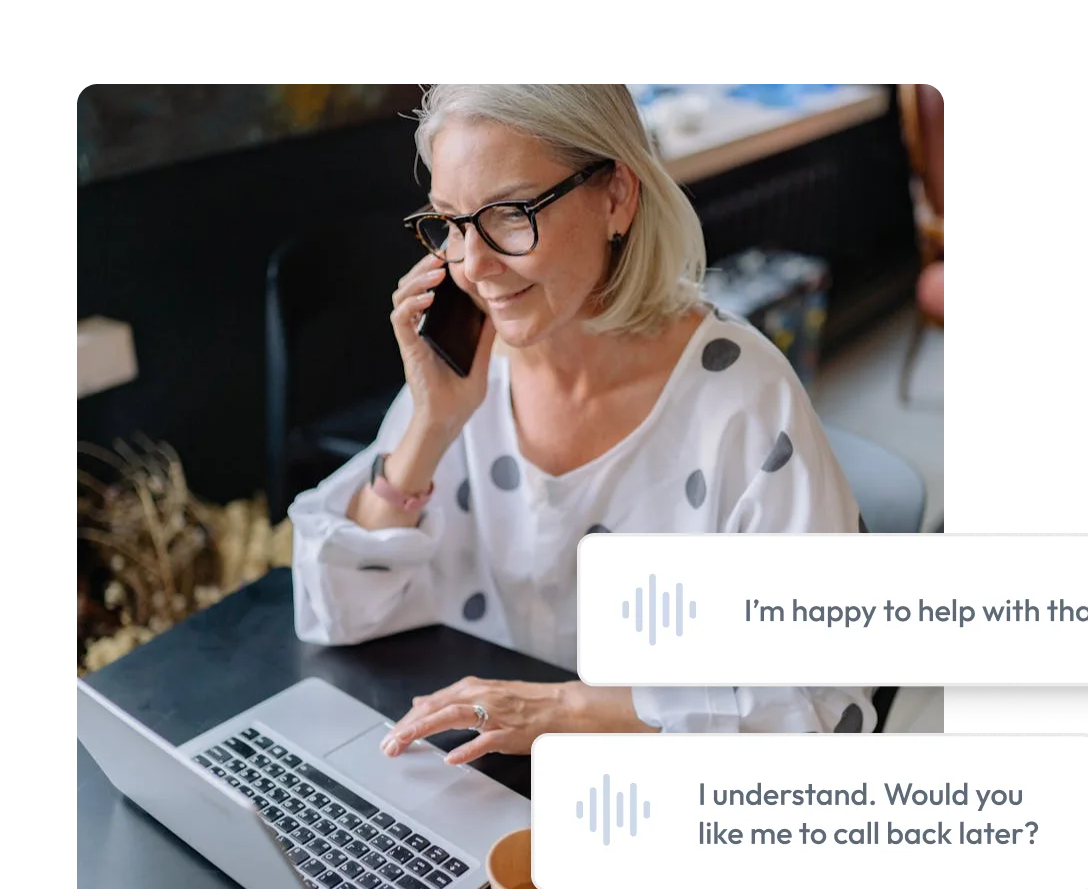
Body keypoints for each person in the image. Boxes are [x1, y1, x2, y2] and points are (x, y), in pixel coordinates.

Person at [289, 81, 876, 766]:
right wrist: (431, 426)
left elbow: (823, 704)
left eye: (509, 214)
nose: (472, 267)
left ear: (616, 198)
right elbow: (338, 612)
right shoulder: (471, 371)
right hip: (489, 775)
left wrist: (561, 709)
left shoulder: (741, 399)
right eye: (451, 222)